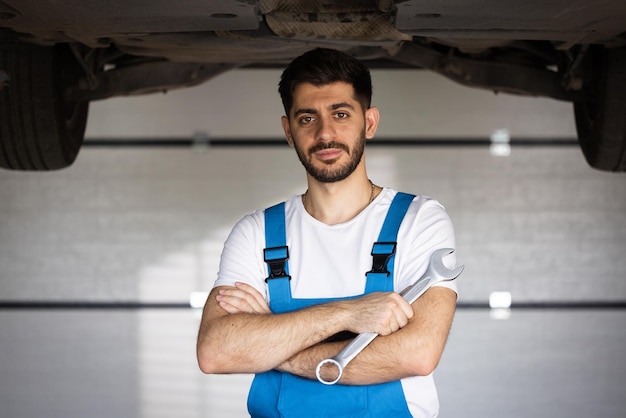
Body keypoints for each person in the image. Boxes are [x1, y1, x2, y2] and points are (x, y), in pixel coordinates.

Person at [196, 47, 459, 417]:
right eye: (307, 118)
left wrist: (273, 342)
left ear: (369, 122)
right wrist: (347, 314)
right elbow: (215, 352)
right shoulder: (256, 233)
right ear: (289, 130)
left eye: (340, 114)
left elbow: (416, 353)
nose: (325, 134)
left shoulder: (418, 220)